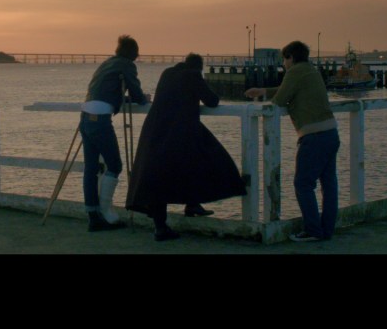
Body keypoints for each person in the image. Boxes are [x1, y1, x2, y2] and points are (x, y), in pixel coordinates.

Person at [126, 53, 246, 241]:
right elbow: (212, 101)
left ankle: (177, 214)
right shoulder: (193, 75)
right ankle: (172, 221)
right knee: (208, 159)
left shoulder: (167, 73)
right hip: (179, 131)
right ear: (199, 67)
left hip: (155, 130)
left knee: (160, 175)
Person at [244, 40, 339, 242]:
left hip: (313, 136)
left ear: (291, 58)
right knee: (329, 184)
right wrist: (263, 91)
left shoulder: (294, 71)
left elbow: (280, 100)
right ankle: (327, 229)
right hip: (331, 132)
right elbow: (287, 89)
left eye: (284, 60)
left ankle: (313, 230)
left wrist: (269, 96)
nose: (283, 64)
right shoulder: (311, 71)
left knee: (303, 184)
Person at [79, 34, 150, 232]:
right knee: (115, 165)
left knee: (91, 168)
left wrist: (124, 99)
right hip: (101, 120)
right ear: (133, 53)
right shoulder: (127, 65)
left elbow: (107, 93)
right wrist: (144, 99)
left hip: (85, 117)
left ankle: (93, 217)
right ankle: (106, 212)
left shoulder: (106, 64)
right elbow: (136, 92)